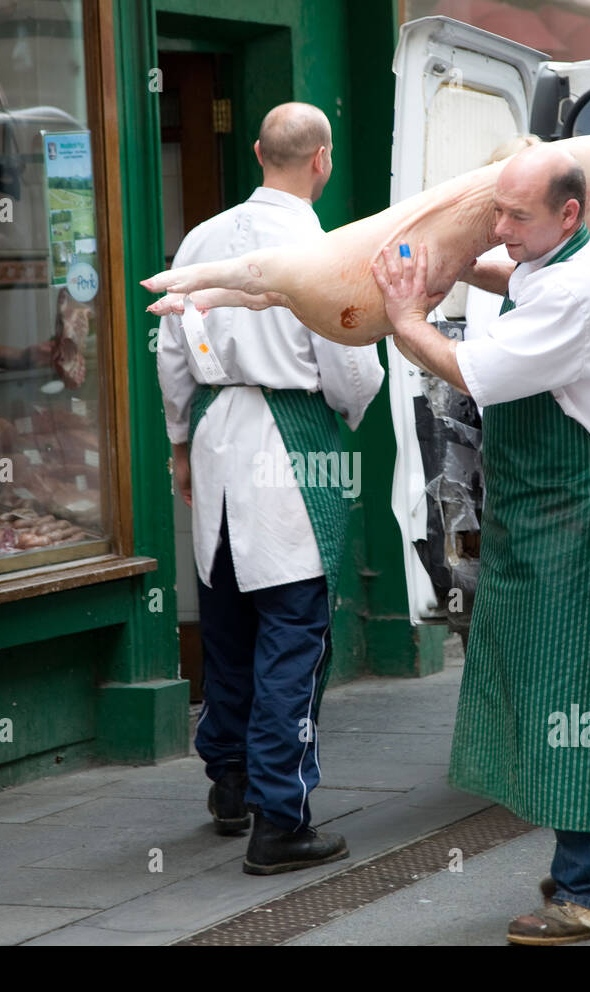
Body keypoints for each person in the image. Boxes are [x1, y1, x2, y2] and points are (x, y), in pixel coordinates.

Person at [371, 143, 590, 944]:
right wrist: (467, 266)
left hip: (573, 517)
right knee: (529, 674)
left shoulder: (574, 285)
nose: (500, 229)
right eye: (498, 212)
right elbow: (521, 280)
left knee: (573, 692)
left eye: (516, 217)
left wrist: (404, 319)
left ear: (569, 214)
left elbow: (468, 370)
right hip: (539, 516)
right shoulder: (562, 258)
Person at [156, 102, 384, 875]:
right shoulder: (323, 249)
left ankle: (229, 783)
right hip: (290, 444)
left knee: (227, 620)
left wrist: (181, 442)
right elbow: (351, 365)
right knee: (294, 631)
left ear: (259, 153)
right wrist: (349, 413)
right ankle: (280, 820)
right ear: (321, 160)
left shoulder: (201, 238)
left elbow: (172, 347)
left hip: (219, 435)